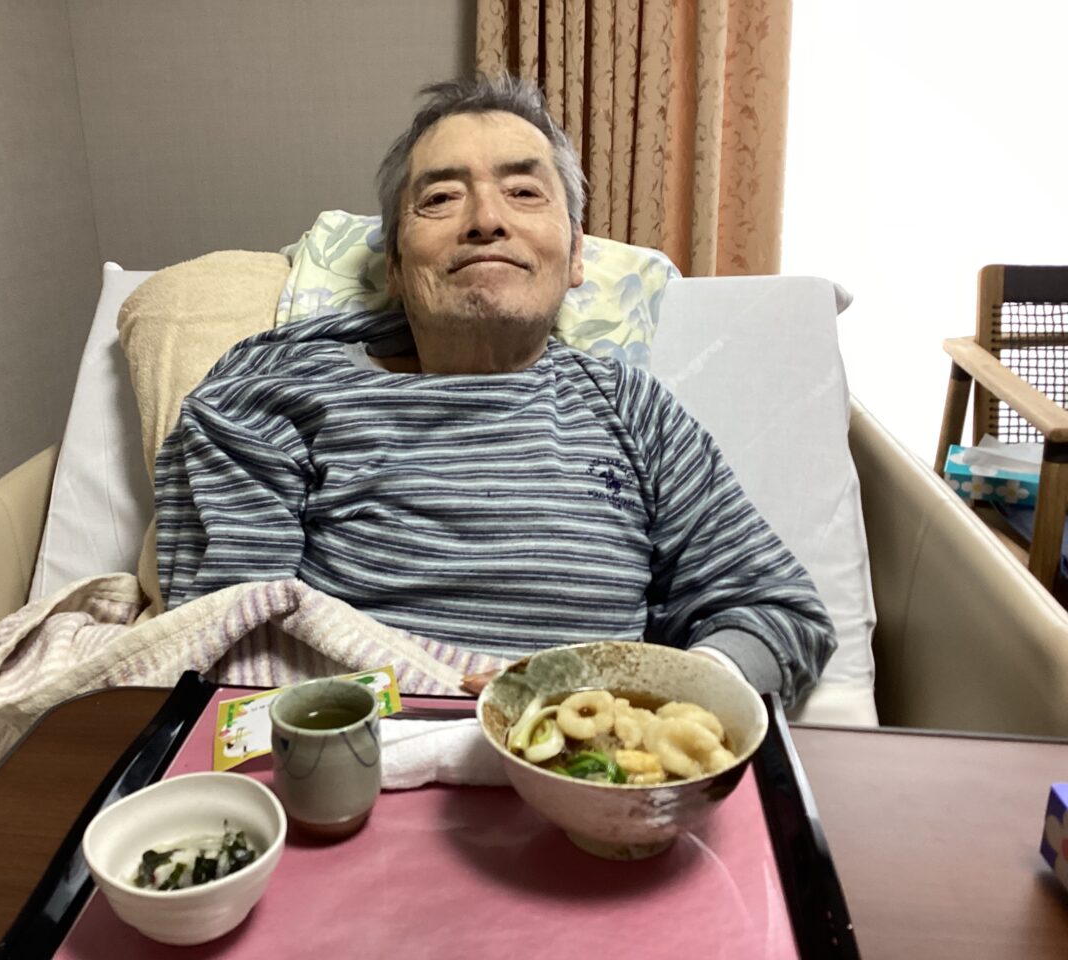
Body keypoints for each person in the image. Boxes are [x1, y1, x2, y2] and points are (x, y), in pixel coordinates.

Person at [154, 75, 835, 708]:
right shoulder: (281, 399)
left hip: (590, 762)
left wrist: (653, 699)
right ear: (396, 267)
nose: (485, 219)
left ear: (575, 256)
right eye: (440, 198)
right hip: (354, 754)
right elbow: (230, 650)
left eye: (524, 192)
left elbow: (777, 612)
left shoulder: (633, 412)